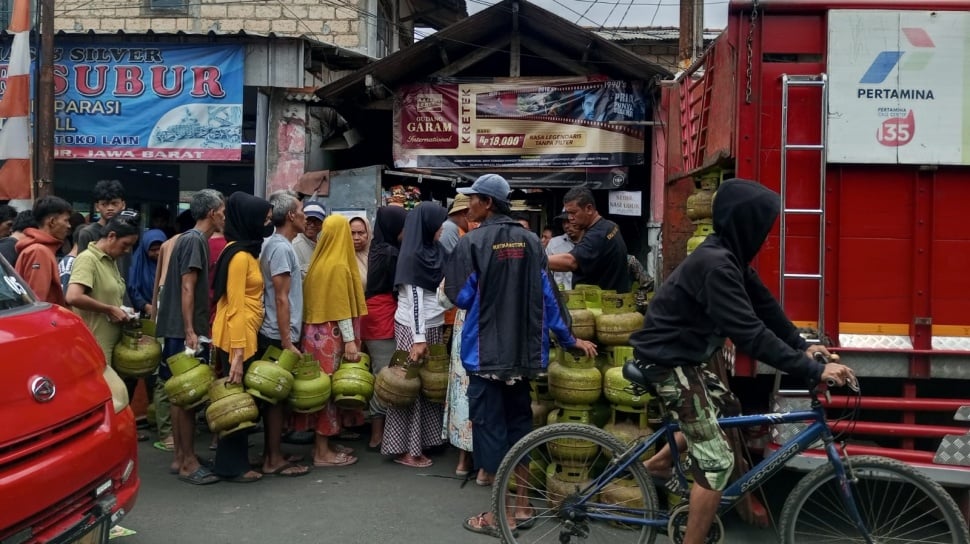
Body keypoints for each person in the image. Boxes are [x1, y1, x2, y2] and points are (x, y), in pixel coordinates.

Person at [629, 178, 855, 544]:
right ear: (744, 224)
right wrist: (813, 370)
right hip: (666, 362)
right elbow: (750, 333)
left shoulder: (729, 257)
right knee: (717, 463)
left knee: (727, 408)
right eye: (763, 228)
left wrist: (803, 345)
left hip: (684, 357)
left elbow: (766, 309)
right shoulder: (717, 265)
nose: (766, 237)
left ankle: (657, 463)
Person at [444, 174, 597, 537]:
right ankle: (523, 505)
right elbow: (549, 298)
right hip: (523, 357)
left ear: (488, 203)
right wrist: (568, 338)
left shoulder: (475, 241)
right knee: (520, 431)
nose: (470, 206)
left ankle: (501, 516)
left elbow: (459, 295)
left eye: (474, 200)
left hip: (486, 358)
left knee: (490, 434)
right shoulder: (531, 242)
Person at [155, 189, 225, 485]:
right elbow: (188, 286)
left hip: (176, 328)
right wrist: (190, 331)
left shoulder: (187, 239)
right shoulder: (196, 241)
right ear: (212, 213)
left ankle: (181, 457)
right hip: (184, 331)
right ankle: (187, 462)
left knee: (179, 393)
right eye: (222, 211)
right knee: (187, 396)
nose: (224, 216)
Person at [210, 192, 274, 483]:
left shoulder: (245, 251)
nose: (267, 223)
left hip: (245, 333)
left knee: (241, 399)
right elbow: (234, 306)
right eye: (264, 219)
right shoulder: (238, 256)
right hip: (237, 336)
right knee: (236, 401)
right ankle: (231, 466)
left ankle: (236, 461)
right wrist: (236, 355)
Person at [382, 203, 449, 469]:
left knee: (431, 383)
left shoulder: (436, 251)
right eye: (439, 223)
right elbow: (416, 301)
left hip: (433, 325)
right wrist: (419, 339)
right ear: (428, 225)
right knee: (410, 386)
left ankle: (426, 440)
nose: (442, 228)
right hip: (413, 329)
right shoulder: (412, 256)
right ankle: (407, 448)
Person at [298, 214, 368, 467]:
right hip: (332, 338)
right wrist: (350, 341)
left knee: (321, 390)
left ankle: (326, 442)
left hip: (314, 337)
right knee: (330, 391)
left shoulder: (319, 262)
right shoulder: (338, 265)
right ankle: (321, 452)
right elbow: (341, 308)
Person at [255, 190, 311, 477]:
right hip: (277, 333)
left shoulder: (276, 245)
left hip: (279, 330)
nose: (305, 215)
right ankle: (273, 459)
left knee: (276, 397)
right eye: (301, 210)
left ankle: (272, 451)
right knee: (275, 397)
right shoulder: (280, 248)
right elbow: (281, 297)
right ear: (291, 215)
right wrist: (288, 340)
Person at [66, 214, 141, 403]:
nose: (127, 250)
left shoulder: (111, 261)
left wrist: (121, 310)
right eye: (125, 245)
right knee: (105, 399)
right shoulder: (88, 259)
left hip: (113, 345)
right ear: (112, 236)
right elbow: (73, 296)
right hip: (96, 346)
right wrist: (109, 309)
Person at [361, 206, 408, 452]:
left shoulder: (378, 248)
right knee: (384, 374)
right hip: (381, 317)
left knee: (380, 371)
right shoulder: (390, 252)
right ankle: (377, 435)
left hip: (373, 314)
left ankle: (379, 430)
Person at [548, 186, 631, 293]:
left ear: (589, 209)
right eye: (568, 213)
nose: (570, 218)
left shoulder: (598, 234)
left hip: (600, 305)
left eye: (573, 213)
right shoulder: (610, 226)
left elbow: (571, 261)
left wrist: (536, 259)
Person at [16, 196, 73, 306]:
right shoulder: (39, 251)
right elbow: (37, 303)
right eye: (66, 220)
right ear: (52, 221)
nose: (69, 226)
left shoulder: (40, 249)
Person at [76, 179, 126, 252]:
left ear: (123, 205)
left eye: (114, 203)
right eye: (104, 204)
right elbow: (82, 262)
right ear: (97, 207)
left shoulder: (126, 231)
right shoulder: (87, 233)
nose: (110, 208)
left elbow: (127, 262)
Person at [127, 229, 167, 319]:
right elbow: (132, 289)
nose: (157, 253)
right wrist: (146, 306)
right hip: (143, 313)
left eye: (160, 248)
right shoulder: (137, 264)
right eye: (153, 250)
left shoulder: (170, 263)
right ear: (145, 249)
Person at [545, 212, 582, 291]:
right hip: (561, 296)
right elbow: (545, 273)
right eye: (564, 222)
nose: (566, 226)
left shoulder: (591, 242)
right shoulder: (554, 243)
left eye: (569, 221)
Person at [293, 200, 325, 277]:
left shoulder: (322, 244)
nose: (312, 225)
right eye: (308, 221)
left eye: (317, 221)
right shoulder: (295, 246)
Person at [349, 216, 371, 292]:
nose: (356, 237)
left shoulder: (376, 256)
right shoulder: (343, 257)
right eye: (352, 233)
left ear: (368, 233)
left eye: (361, 233)